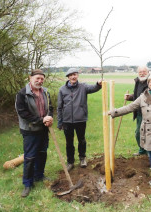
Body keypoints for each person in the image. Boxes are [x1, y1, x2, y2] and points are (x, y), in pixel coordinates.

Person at [109, 73, 151, 196]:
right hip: (148, 132)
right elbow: (130, 107)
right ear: (148, 84)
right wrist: (115, 112)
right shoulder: (142, 97)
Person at [15, 69, 54, 197]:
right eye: (37, 78)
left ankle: (39, 176)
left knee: (42, 153)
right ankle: (27, 184)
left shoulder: (46, 92)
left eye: (42, 79)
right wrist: (41, 120)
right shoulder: (22, 94)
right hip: (30, 130)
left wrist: (49, 118)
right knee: (30, 157)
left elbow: (50, 107)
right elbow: (23, 113)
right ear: (30, 78)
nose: (40, 81)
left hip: (43, 129)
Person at [57, 68, 102, 170]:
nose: (73, 76)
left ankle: (82, 158)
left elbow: (93, 88)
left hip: (80, 119)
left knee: (81, 140)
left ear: (77, 76)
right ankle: (70, 162)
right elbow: (59, 107)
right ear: (68, 77)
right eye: (71, 75)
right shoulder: (62, 90)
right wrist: (60, 122)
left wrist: (98, 84)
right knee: (69, 142)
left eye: (75, 74)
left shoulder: (83, 87)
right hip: (67, 121)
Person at [124, 66, 150, 156]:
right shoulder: (138, 81)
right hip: (139, 112)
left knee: (146, 133)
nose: (142, 73)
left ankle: (148, 152)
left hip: (149, 112)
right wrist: (130, 97)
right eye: (140, 72)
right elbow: (137, 96)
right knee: (139, 133)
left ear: (148, 72)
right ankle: (143, 150)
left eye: (144, 71)